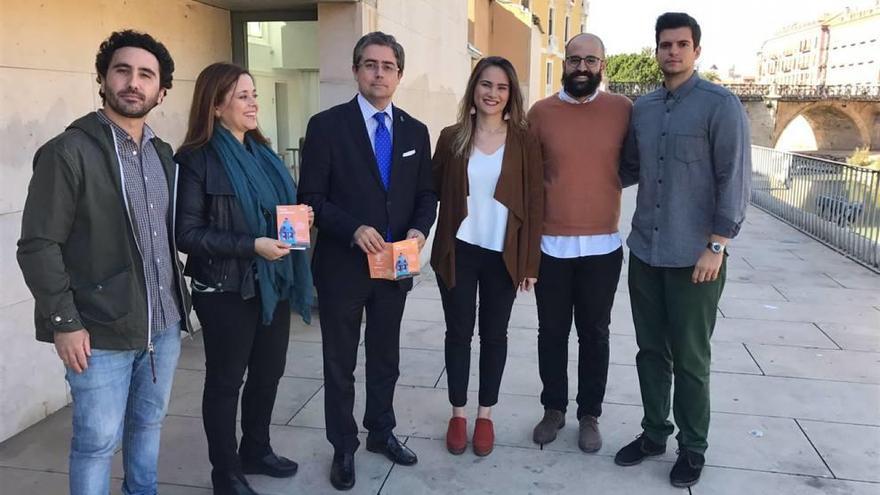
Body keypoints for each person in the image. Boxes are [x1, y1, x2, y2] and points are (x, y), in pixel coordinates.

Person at [16, 30, 191, 495]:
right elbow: (38, 245)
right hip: (98, 333)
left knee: (148, 428)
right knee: (96, 443)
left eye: (146, 75)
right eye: (122, 70)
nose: (133, 82)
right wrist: (63, 322)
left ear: (161, 90)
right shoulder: (68, 151)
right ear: (103, 78)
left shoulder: (161, 154)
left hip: (163, 326)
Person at [615, 12, 751, 488]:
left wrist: (717, 244)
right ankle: (654, 433)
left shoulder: (721, 105)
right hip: (645, 253)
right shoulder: (644, 108)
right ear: (656, 50)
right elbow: (626, 169)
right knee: (650, 351)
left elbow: (733, 179)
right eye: (665, 45)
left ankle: (693, 446)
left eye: (681, 44)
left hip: (696, 257)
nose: (672, 52)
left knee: (691, 358)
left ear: (696, 50)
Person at [298, 31, 437, 490]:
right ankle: (344, 446)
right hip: (342, 267)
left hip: (394, 267)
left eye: (388, 66)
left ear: (399, 73)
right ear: (357, 70)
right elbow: (311, 197)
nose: (379, 73)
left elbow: (426, 194)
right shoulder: (326, 126)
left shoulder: (416, 131)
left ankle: (381, 431)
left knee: (385, 358)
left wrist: (420, 230)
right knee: (340, 363)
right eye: (370, 64)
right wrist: (351, 228)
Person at [175, 62, 314, 495]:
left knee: (268, 373)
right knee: (225, 381)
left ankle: (257, 448)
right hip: (225, 289)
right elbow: (187, 233)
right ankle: (226, 473)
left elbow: (278, 215)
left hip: (271, 284)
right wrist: (251, 244)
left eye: (254, 94)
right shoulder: (196, 160)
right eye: (242, 96)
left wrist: (300, 217)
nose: (254, 103)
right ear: (215, 106)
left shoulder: (264, 154)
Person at [430, 56, 543, 457]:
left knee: (495, 335)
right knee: (458, 334)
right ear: (473, 89)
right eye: (486, 85)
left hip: (502, 254)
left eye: (501, 87)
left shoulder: (525, 141)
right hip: (458, 251)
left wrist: (530, 263)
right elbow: (430, 190)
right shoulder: (452, 137)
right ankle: (458, 414)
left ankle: (485, 415)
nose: (493, 93)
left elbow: (534, 203)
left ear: (511, 94)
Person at [527, 33, 632, 453]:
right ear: (564, 63)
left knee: (595, 334)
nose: (582, 67)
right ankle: (554, 409)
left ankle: (590, 414)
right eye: (575, 60)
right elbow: (528, 176)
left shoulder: (623, 110)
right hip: (551, 247)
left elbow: (636, 163)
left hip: (603, 247)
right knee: (550, 333)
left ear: (603, 64)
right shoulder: (539, 113)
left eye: (591, 60)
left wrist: (601, 189)